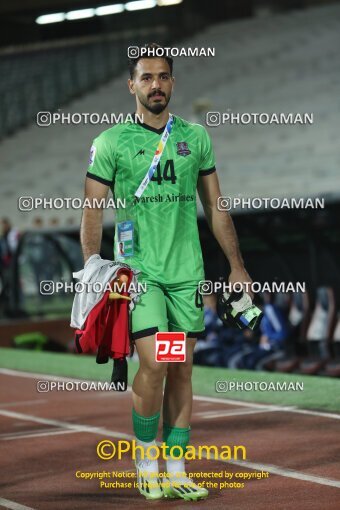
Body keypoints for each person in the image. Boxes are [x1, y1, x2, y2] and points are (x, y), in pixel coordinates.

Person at [80, 42, 253, 501]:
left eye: (163, 77)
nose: (155, 84)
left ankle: (175, 468)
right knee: (155, 363)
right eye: (146, 77)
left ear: (172, 83)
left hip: (186, 276)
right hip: (139, 276)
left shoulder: (195, 138)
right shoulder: (111, 141)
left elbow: (216, 207)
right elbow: (92, 209)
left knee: (181, 369)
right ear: (131, 84)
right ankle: (145, 458)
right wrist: (91, 264)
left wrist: (236, 267)